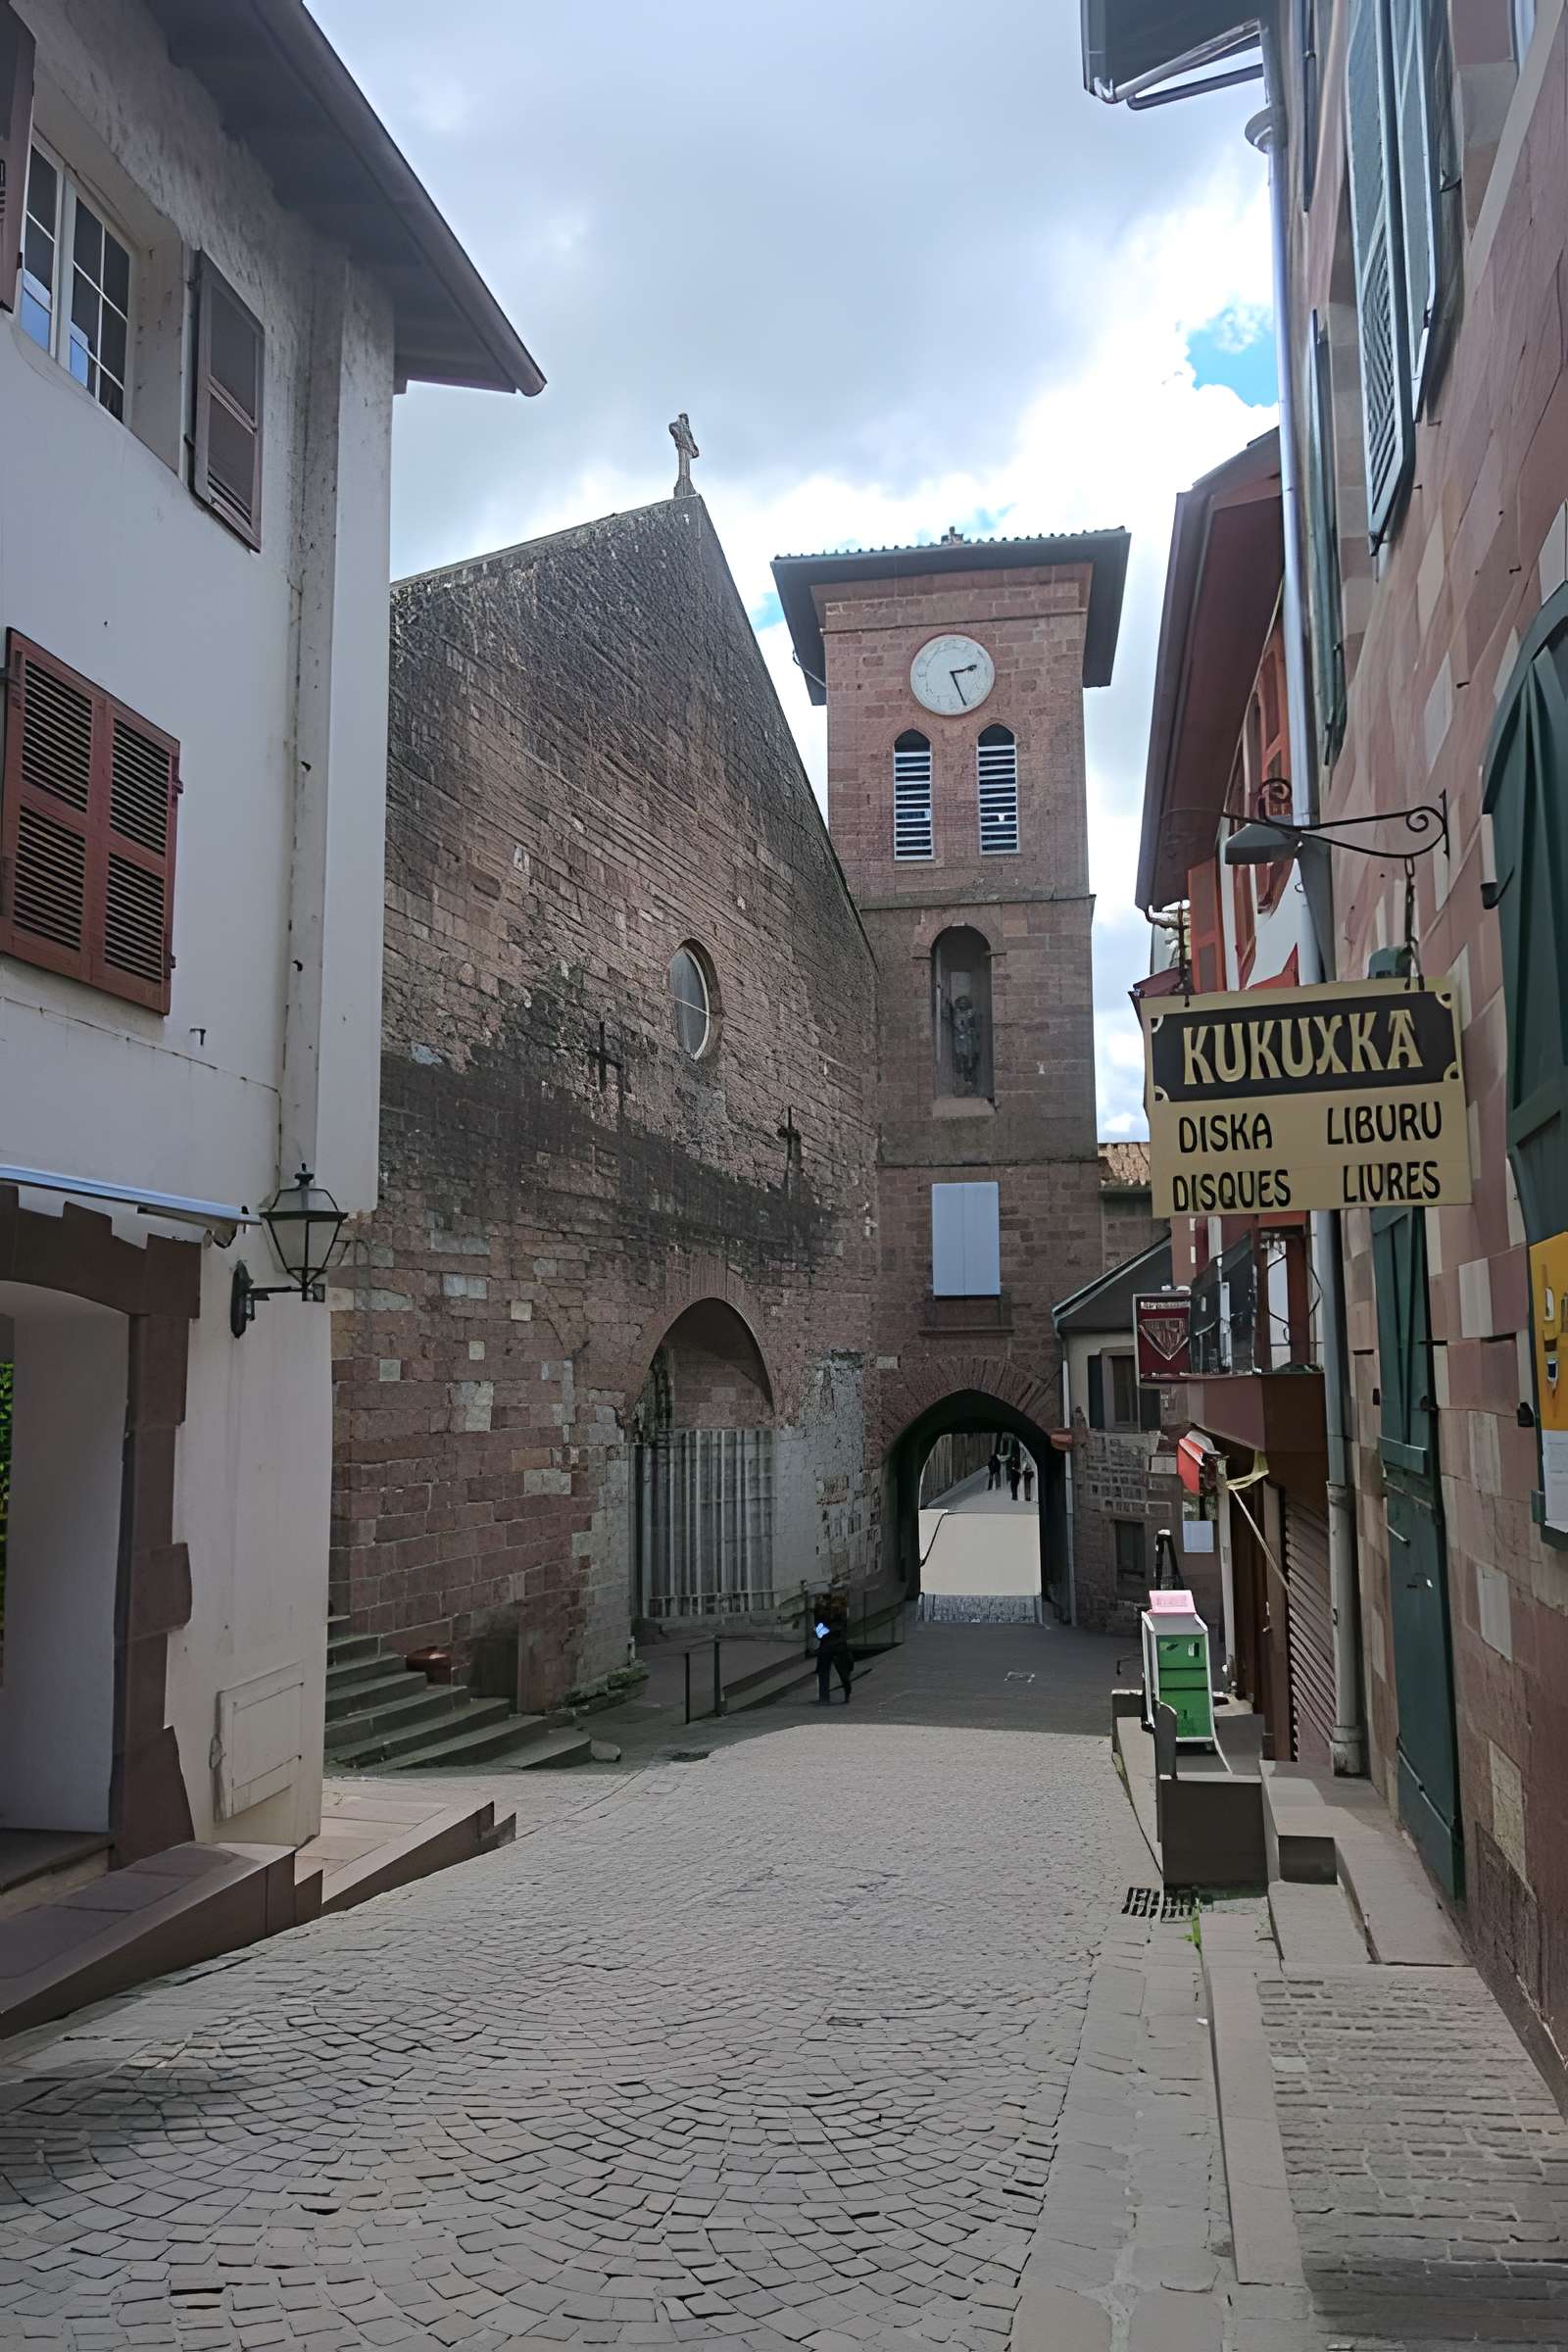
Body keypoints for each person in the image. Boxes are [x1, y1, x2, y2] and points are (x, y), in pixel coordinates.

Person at [814, 1602, 854, 1704]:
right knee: (840, 1672)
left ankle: (825, 1697)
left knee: (831, 1672)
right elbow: (821, 1633)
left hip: (831, 1647)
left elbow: (820, 1634)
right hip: (835, 1647)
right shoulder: (827, 1618)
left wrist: (825, 1630)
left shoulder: (833, 1618)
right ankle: (844, 1694)